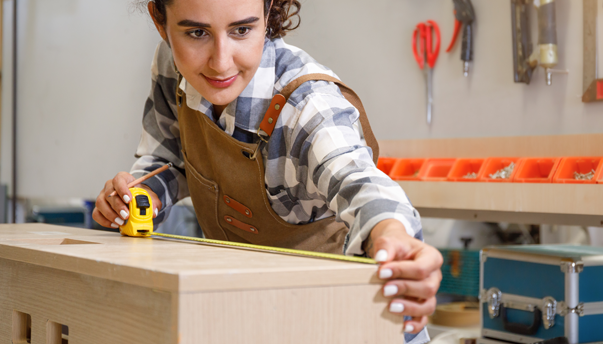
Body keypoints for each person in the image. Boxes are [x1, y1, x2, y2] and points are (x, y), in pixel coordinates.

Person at [93, 0, 442, 342]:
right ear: (160, 21)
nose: (220, 62)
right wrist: (140, 195)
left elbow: (361, 182)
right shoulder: (173, 66)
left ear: (267, 10)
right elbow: (171, 158)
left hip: (348, 323)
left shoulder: (307, 105)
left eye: (242, 30)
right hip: (251, 316)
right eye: (197, 33)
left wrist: (392, 235)